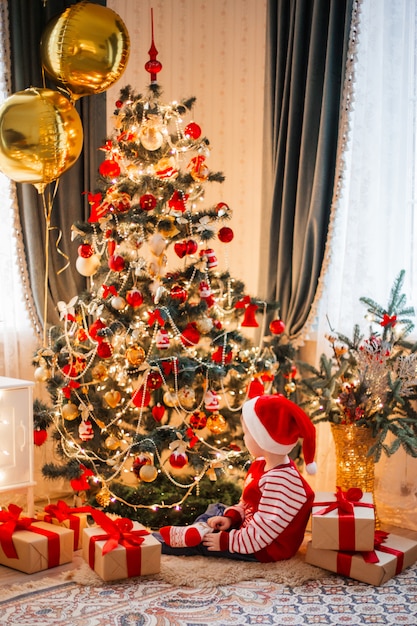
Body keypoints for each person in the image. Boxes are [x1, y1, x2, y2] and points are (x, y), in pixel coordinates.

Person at [155, 393, 316, 562]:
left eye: (247, 433)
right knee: (217, 509)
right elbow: (246, 505)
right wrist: (231, 518)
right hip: (252, 527)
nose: (243, 437)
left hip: (265, 547)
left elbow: (262, 534)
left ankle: (156, 541)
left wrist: (226, 541)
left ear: (264, 440)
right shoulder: (261, 464)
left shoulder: (281, 482)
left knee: (206, 543)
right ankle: (200, 529)